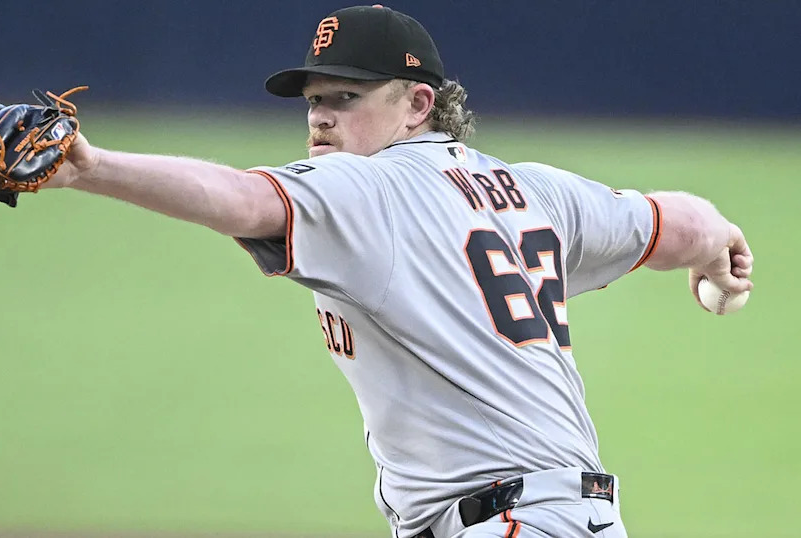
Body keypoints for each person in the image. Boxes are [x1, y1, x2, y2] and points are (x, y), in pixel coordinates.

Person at [45, 5, 754, 537]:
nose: (320, 118)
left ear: (417, 104)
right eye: (314, 100)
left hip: (510, 521)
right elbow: (675, 221)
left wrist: (88, 167)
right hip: (568, 516)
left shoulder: (368, 187)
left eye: (346, 97)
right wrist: (718, 253)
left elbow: (240, 197)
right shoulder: (535, 189)